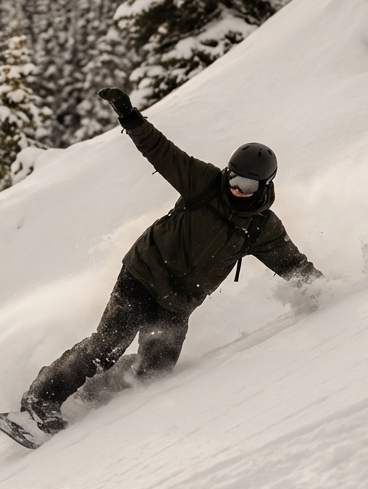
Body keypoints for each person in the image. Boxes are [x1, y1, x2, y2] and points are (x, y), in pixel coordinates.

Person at [19, 87, 322, 434]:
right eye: (234, 179)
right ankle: (40, 398)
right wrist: (129, 116)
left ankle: (93, 392)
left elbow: (292, 264)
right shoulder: (204, 182)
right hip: (143, 275)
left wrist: (325, 292)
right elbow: (160, 151)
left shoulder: (260, 227)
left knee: (155, 372)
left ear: (264, 186)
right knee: (107, 346)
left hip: (178, 303)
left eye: (248, 186)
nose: (237, 189)